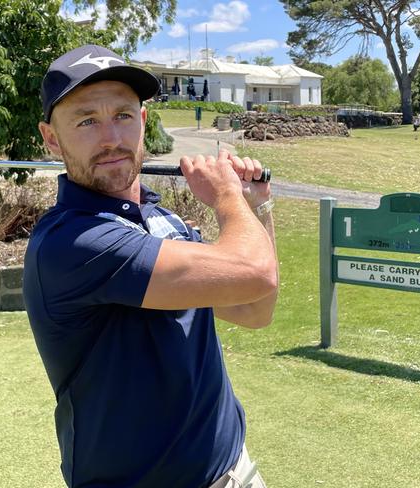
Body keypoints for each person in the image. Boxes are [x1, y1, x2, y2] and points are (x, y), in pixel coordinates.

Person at [23, 44, 279, 488]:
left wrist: (257, 206)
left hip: (236, 470)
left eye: (123, 115)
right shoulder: (71, 242)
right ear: (51, 138)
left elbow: (254, 308)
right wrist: (225, 196)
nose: (111, 138)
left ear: (142, 122)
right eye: (86, 121)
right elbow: (255, 270)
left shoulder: (164, 220)